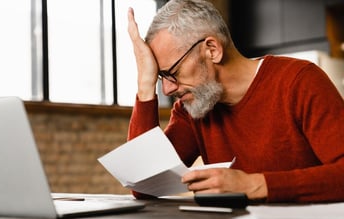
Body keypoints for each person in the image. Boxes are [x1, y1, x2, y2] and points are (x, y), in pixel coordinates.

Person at [126, 0, 344, 203]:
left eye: (172, 73)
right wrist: (145, 86)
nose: (167, 89)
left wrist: (256, 185)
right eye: (160, 78)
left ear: (212, 50)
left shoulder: (300, 81)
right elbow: (144, 185)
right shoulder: (192, 108)